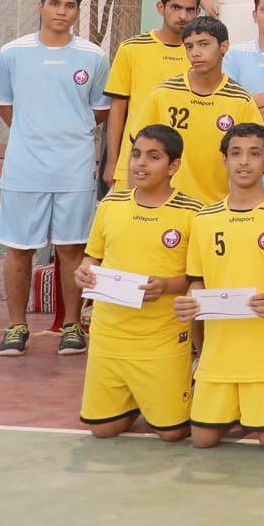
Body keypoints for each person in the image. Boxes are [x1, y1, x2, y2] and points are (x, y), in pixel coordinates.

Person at [0, 0, 111, 359]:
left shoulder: (93, 56)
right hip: (24, 168)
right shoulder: (12, 53)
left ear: (77, 11)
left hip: (73, 166)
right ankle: (16, 326)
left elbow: (99, 110)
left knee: (72, 247)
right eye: (55, 4)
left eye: (70, 5)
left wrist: (66, 134)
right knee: (20, 249)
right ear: (41, 7)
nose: (62, 11)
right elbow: (5, 105)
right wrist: (34, 135)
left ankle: (72, 325)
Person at [174, 123, 264, 450]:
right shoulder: (204, 219)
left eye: (254, 154)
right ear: (224, 161)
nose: (244, 162)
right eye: (236, 153)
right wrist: (189, 302)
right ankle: (236, 405)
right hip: (219, 356)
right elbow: (197, 281)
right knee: (203, 440)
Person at [73, 124, 201, 438]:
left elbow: (198, 278)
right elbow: (94, 257)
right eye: (136, 155)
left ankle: (186, 386)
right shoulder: (111, 205)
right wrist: (84, 271)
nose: (140, 163)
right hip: (110, 333)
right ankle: (138, 401)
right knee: (102, 430)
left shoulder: (193, 213)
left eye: (153, 157)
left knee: (172, 434)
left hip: (161, 336)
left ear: (173, 166)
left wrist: (166, 286)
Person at [135, 16, 264, 205]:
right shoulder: (164, 93)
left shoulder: (240, 100)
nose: (195, 53)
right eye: (189, 46)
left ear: (224, 46)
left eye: (204, 44)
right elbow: (138, 150)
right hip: (169, 205)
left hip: (218, 207)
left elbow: (255, 155)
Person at [101, 0, 201, 186]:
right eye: (176, 7)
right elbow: (118, 108)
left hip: (185, 165)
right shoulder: (132, 48)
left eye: (190, 10)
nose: (183, 16)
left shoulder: (202, 55)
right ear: (160, 7)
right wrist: (112, 161)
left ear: (198, 12)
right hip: (136, 161)